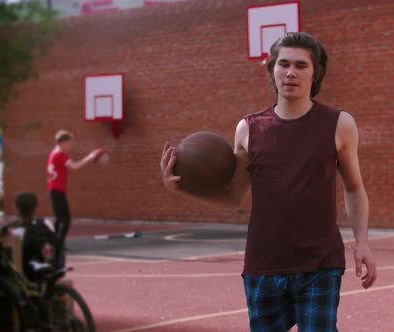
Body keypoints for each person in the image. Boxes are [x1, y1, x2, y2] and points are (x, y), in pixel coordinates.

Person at [160, 32, 376, 331]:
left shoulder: (339, 124)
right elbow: (233, 196)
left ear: (315, 74)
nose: (291, 72)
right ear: (271, 69)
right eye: (283, 63)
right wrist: (181, 188)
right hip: (263, 264)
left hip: (320, 263)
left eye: (301, 65)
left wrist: (362, 242)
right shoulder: (248, 129)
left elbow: (354, 187)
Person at [47, 130, 99, 264]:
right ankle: (57, 244)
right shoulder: (59, 155)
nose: (70, 146)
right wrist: (90, 156)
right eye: (69, 143)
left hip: (54, 189)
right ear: (63, 142)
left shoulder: (53, 153)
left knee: (59, 219)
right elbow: (75, 166)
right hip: (57, 189)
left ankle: (56, 242)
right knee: (65, 219)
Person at [11, 191, 58, 280]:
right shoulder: (46, 223)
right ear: (35, 207)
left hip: (29, 274)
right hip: (51, 266)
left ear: (17, 208)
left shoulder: (16, 232)